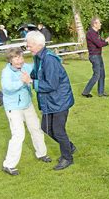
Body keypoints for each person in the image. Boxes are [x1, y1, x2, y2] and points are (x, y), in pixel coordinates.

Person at [27, 31, 75, 171]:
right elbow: (36, 74)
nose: (28, 48)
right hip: (50, 101)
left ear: (37, 44)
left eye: (29, 45)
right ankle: (69, 147)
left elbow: (51, 84)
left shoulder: (49, 60)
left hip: (59, 100)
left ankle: (67, 158)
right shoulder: (38, 57)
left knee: (58, 131)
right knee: (46, 128)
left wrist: (31, 82)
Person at [1, 48, 51, 176]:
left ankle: (42, 154)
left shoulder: (26, 67)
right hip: (14, 107)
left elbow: (36, 69)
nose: (20, 60)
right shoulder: (6, 72)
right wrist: (22, 81)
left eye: (21, 57)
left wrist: (45, 58)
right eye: (16, 58)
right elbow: (8, 88)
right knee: (18, 135)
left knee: (36, 129)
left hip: (27, 104)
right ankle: (9, 164)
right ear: (10, 60)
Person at [82, 17, 109, 98]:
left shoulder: (96, 33)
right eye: (99, 23)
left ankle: (101, 93)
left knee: (102, 74)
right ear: (95, 24)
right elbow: (99, 44)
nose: (101, 24)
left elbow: (102, 42)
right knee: (97, 75)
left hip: (98, 56)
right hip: (94, 56)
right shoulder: (90, 33)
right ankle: (85, 92)